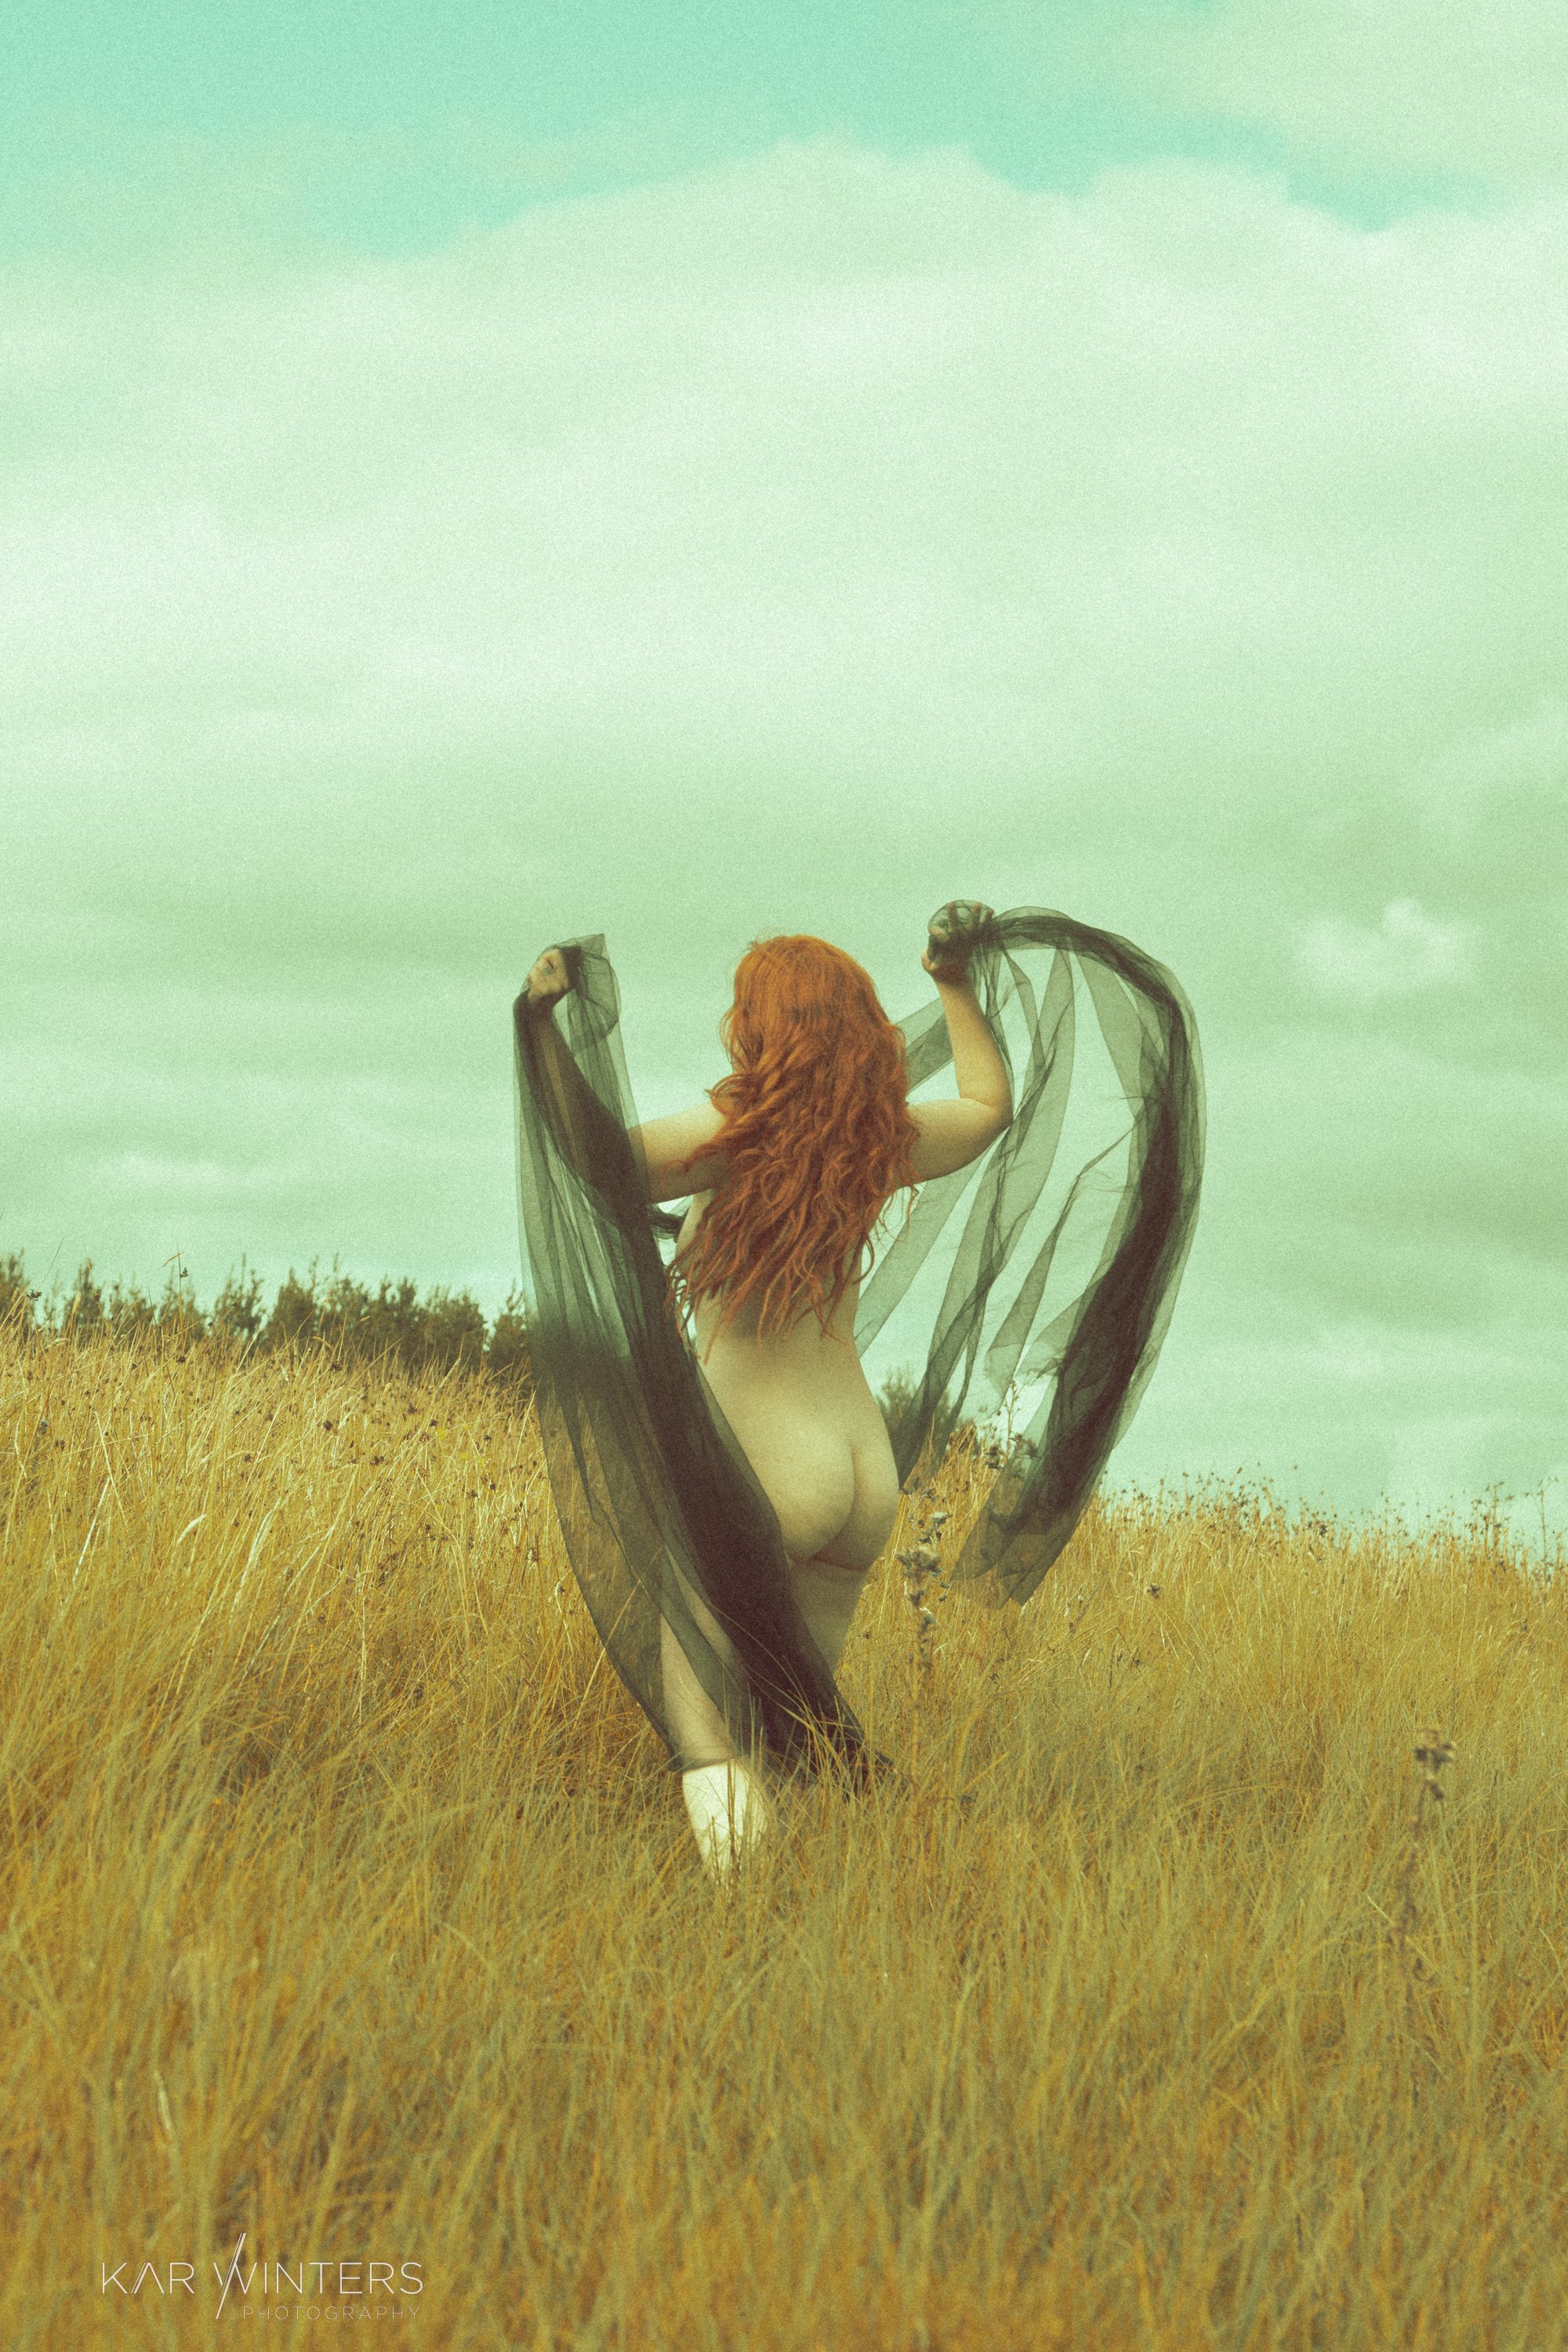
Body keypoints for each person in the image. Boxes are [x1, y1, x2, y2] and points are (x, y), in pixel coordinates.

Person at [513, 902, 1204, 1882]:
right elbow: (985, 1107)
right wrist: (952, 983)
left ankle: (741, 1924)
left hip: (766, 1456)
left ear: (760, 1028)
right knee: (787, 1725)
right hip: (857, 1470)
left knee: (707, 1733)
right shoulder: (880, 1139)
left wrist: (538, 1029)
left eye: (738, 1007)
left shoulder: (731, 1131)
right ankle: (805, 1905)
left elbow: (597, 1160)